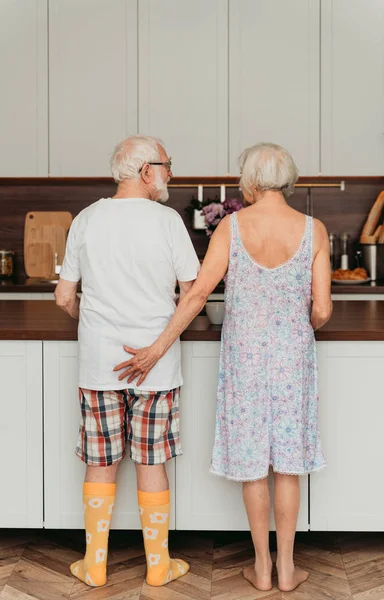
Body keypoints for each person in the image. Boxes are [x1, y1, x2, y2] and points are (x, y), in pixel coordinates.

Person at [114, 142, 333, 593]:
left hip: (245, 361)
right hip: (294, 359)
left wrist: (156, 348)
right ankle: (289, 569)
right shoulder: (315, 230)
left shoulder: (231, 227)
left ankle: (262, 568)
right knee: (288, 465)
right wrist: (299, 320)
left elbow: (195, 297)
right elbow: (323, 310)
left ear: (249, 181)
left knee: (254, 463)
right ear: (287, 179)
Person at [54, 135, 199, 588]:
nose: (171, 173)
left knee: (100, 462)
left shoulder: (86, 219)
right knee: (151, 462)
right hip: (157, 366)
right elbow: (194, 294)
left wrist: (98, 326)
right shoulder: (168, 221)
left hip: (99, 365)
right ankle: (159, 567)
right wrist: (155, 348)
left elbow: (63, 297)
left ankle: (93, 565)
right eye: (167, 164)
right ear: (145, 171)